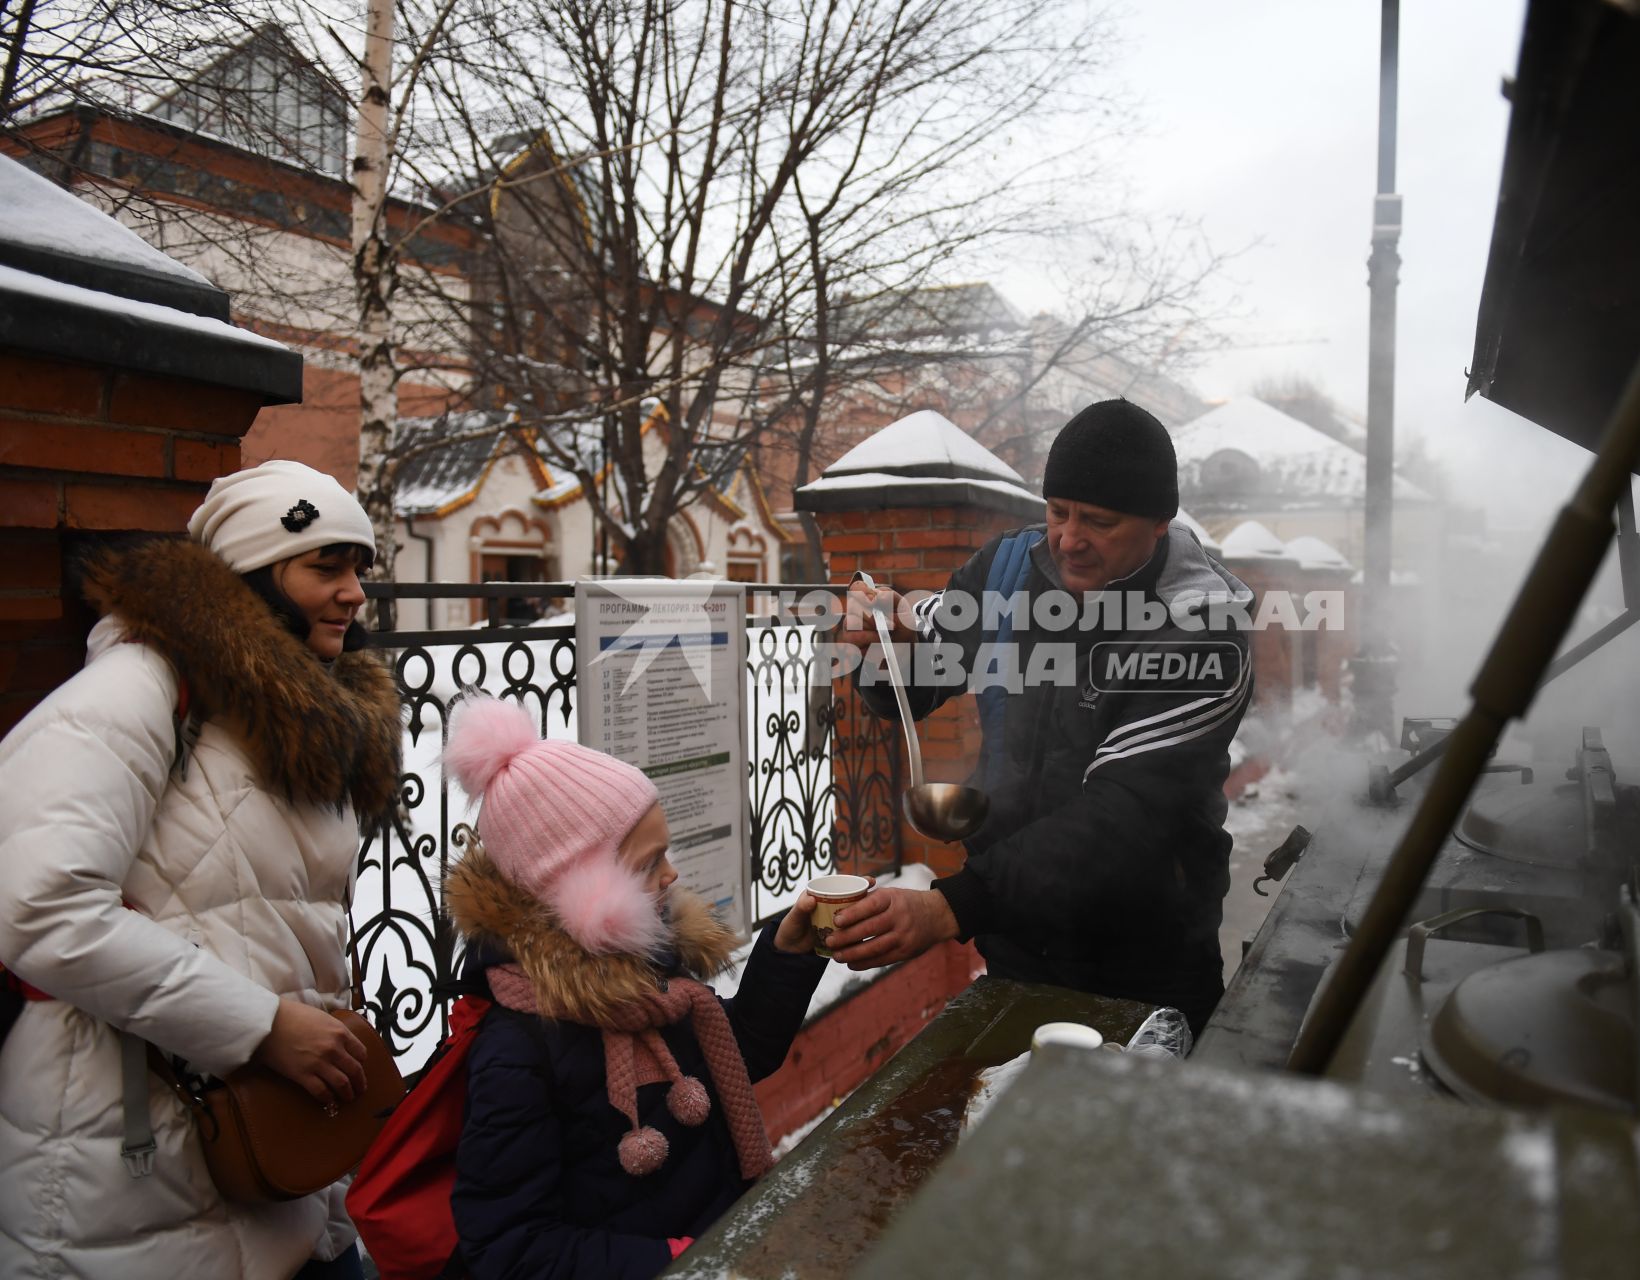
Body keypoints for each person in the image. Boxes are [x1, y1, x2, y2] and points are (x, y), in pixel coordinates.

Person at [0, 460, 402, 1279]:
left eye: (359, 566)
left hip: (266, 1159)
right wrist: (261, 1027)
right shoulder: (134, 690)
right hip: (129, 1169)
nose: (355, 592)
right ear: (252, 577)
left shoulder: (297, 714)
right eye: (326, 565)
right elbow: (40, 907)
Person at [836, 398, 1253, 1031]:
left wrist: (954, 906)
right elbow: (927, 679)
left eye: (1100, 521)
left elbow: (1126, 814)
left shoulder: (1202, 627)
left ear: (1158, 523)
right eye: (1057, 512)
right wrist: (883, 649)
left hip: (1145, 957)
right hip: (1016, 939)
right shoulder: (1008, 571)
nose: (1068, 540)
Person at [442, 695, 825, 1280]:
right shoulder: (518, 1052)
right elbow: (509, 1247)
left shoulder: (645, 976)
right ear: (572, 890)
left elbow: (729, 1058)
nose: (670, 875)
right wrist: (668, 1262)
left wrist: (789, 955)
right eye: (649, 863)